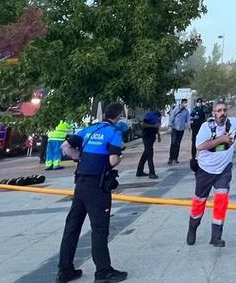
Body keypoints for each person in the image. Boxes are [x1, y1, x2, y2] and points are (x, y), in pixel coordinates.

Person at [56, 104, 128, 283]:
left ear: (105, 114)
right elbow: (112, 161)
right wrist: (120, 158)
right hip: (97, 185)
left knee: (73, 225)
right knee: (99, 227)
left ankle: (65, 270)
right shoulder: (114, 132)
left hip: (80, 182)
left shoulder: (90, 129)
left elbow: (65, 146)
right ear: (118, 116)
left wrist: (79, 158)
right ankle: (103, 271)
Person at [186, 102, 236, 248]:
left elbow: (234, 137)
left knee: (221, 201)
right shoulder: (206, 127)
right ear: (213, 113)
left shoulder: (234, 123)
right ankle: (193, 227)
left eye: (224, 110)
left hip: (224, 170)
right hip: (205, 170)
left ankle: (216, 236)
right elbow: (200, 146)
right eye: (218, 111)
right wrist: (220, 140)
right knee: (199, 201)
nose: (222, 113)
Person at [135, 109, 160, 178]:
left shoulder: (158, 114)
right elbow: (143, 124)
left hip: (152, 136)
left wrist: (158, 134)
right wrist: (153, 126)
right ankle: (152, 172)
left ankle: (139, 171)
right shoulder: (149, 114)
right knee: (150, 153)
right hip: (147, 136)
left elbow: (157, 125)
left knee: (146, 153)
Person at [168, 98, 190, 164]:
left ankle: (175, 158)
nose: (186, 104)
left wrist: (189, 126)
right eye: (185, 103)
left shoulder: (186, 111)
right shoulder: (176, 109)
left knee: (178, 144)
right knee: (173, 143)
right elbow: (171, 117)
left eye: (186, 103)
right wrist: (170, 125)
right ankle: (171, 158)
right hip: (175, 128)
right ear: (182, 103)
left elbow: (188, 119)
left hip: (181, 129)